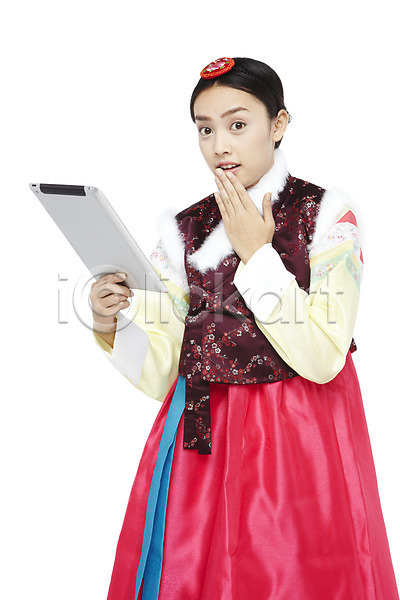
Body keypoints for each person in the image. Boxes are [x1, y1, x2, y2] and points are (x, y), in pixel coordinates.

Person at [90, 57, 399, 600]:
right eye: (205, 129)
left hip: (300, 437)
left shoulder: (326, 215)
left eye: (237, 124)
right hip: (201, 443)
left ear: (278, 124)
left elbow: (324, 357)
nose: (220, 146)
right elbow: (165, 372)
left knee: (294, 575)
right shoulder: (183, 230)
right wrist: (109, 320)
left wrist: (258, 254)